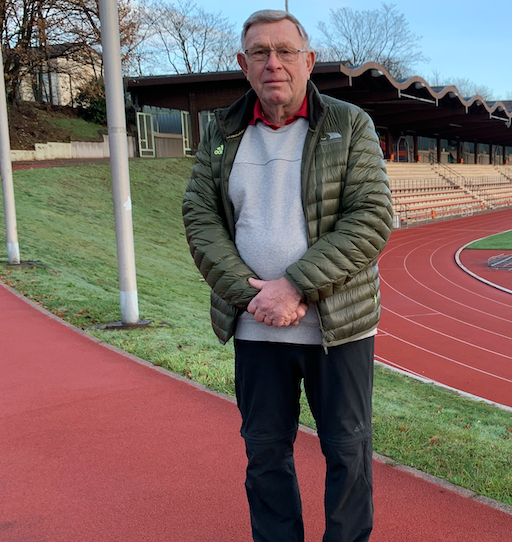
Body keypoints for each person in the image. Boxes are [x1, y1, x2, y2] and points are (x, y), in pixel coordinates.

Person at [181, 9, 392, 542]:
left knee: (347, 453)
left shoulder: (349, 124)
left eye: (285, 51)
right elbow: (200, 218)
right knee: (265, 453)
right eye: (259, 53)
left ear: (309, 61)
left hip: (338, 328)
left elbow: (370, 218)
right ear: (243, 64)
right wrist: (253, 297)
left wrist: (294, 285)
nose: (273, 63)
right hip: (256, 329)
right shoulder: (223, 132)